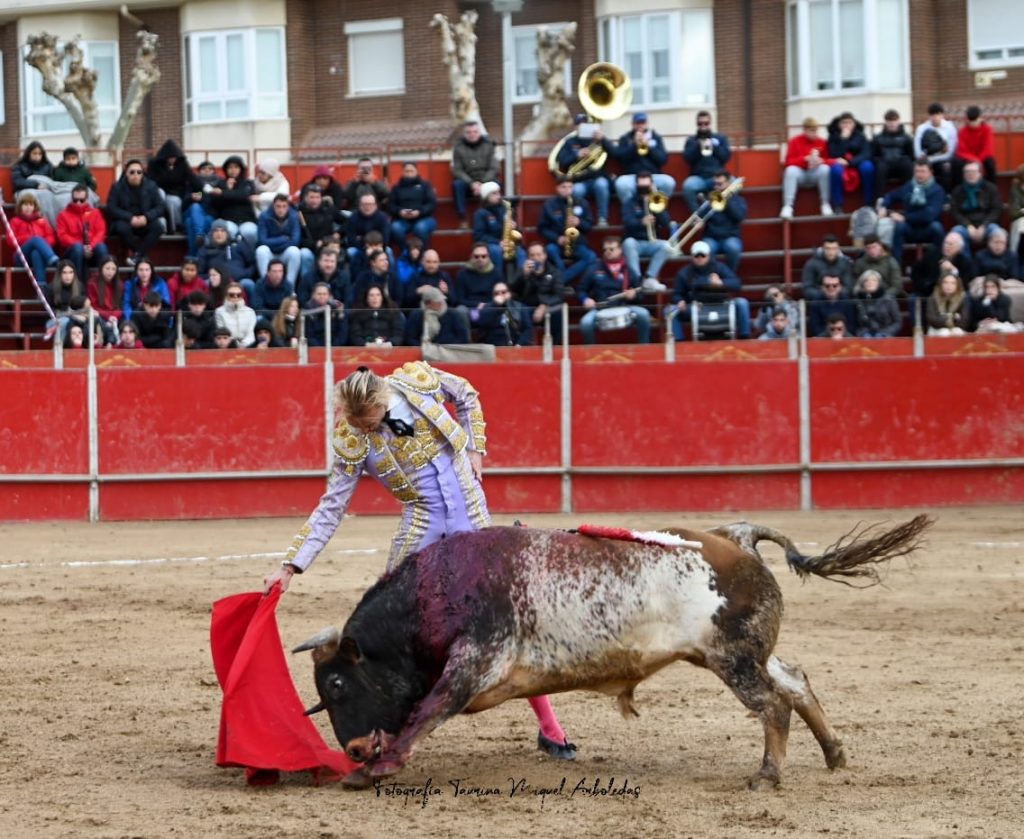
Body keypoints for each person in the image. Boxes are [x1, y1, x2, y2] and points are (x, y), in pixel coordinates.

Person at [261, 364, 577, 764]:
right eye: (359, 426)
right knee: (393, 629)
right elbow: (332, 506)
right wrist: (290, 567)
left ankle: (551, 728)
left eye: (372, 423)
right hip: (422, 524)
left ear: (382, 400)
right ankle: (384, 729)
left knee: (506, 624)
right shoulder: (351, 438)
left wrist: (475, 448)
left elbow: (467, 394)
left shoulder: (415, 382)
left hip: (472, 517)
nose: (368, 432)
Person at [669, 241, 751, 340]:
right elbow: (677, 294)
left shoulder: (719, 267)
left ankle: (745, 338)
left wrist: (721, 282)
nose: (700, 258)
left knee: (742, 303)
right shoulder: (684, 273)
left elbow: (737, 283)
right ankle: (679, 343)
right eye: (696, 256)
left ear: (708, 256)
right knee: (670, 311)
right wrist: (680, 301)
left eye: (703, 255)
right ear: (692, 257)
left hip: (722, 305)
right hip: (697, 307)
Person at [578, 236, 651, 344]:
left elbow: (640, 293)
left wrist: (633, 295)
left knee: (644, 315)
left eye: (611, 249)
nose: (607, 252)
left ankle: (644, 348)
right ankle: (591, 351)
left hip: (625, 306)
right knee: (585, 323)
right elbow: (581, 289)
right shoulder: (594, 268)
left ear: (620, 250)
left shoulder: (629, 270)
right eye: (605, 249)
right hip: (601, 307)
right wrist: (585, 300)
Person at [878, 158, 946, 263]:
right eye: (917, 171)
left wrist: (905, 217)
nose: (919, 175)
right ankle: (897, 267)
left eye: (923, 171)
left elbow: (928, 216)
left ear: (931, 172)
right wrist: (883, 206)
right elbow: (891, 196)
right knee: (899, 227)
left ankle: (937, 264)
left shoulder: (937, 190)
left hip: (927, 228)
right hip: (910, 229)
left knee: (937, 228)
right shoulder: (909, 186)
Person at [537, 176, 596, 286]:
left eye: (570, 186)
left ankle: (561, 281)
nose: (567, 190)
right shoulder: (549, 204)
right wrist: (557, 238)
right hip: (557, 244)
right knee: (550, 250)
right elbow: (542, 228)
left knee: (591, 256)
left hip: (578, 244)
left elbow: (589, 226)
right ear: (557, 188)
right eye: (563, 187)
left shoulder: (582, 203)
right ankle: (563, 280)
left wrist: (579, 222)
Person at [106, 159, 167, 264]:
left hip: (144, 220)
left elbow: (161, 207)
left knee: (158, 227)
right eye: (132, 172)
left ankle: (138, 256)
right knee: (121, 228)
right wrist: (130, 218)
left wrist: (146, 217)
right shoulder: (117, 187)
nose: (136, 175)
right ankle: (141, 255)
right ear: (126, 173)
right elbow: (111, 208)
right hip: (125, 221)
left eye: (139, 172)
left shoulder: (151, 186)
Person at [556, 113, 612, 225]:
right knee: (576, 190)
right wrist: (577, 155)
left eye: (585, 124)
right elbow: (562, 162)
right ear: (575, 127)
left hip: (597, 178)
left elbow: (615, 153)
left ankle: (603, 218)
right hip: (579, 180)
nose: (582, 127)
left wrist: (604, 139)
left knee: (602, 184)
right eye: (579, 125)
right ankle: (579, 221)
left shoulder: (597, 140)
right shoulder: (570, 141)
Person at [621, 172, 673, 292]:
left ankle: (650, 278)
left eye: (647, 186)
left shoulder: (657, 200)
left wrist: (657, 206)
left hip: (651, 241)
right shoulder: (630, 202)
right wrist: (641, 222)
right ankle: (637, 280)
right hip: (635, 242)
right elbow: (627, 222)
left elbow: (666, 223)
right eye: (642, 187)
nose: (644, 190)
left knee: (667, 246)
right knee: (628, 243)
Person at [613, 112, 675, 205]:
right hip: (632, 176)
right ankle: (632, 211)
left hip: (653, 176)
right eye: (638, 123)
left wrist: (649, 147)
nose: (640, 125)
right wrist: (634, 145)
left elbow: (663, 159)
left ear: (647, 123)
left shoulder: (656, 137)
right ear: (633, 124)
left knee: (669, 182)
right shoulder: (625, 138)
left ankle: (657, 208)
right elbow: (622, 159)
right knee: (620, 184)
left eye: (643, 122)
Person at [511, 242, 566, 344]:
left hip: (548, 307)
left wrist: (544, 305)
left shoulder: (554, 272)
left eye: (538, 254)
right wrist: (524, 276)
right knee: (521, 311)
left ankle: (556, 346)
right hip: (527, 306)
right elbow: (513, 290)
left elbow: (559, 295)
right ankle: (524, 344)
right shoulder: (523, 270)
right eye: (532, 255)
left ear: (544, 256)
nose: (536, 258)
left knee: (559, 312)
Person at [147, 139, 204, 234]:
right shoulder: (154, 164)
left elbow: (194, 181)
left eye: (174, 157)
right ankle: (161, 224)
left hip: (176, 193)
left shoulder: (182, 164)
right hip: (158, 191)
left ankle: (176, 227)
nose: (173, 160)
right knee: (159, 194)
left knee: (173, 201)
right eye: (170, 157)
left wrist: (200, 193)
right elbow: (150, 181)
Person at [780, 117, 833, 219]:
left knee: (825, 169)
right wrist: (805, 159)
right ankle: (788, 206)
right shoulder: (795, 141)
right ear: (805, 130)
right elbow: (788, 162)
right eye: (811, 130)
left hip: (815, 174)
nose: (814, 133)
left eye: (816, 130)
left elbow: (828, 159)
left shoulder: (822, 142)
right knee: (790, 171)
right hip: (800, 174)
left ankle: (825, 204)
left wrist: (821, 161)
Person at [451, 121, 500, 228]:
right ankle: (463, 218)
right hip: (468, 183)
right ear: (465, 134)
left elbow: (494, 168)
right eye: (469, 132)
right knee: (457, 185)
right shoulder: (458, 148)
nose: (472, 134)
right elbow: (457, 170)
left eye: (475, 132)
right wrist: (472, 183)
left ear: (479, 132)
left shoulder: (489, 145)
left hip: (486, 181)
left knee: (496, 184)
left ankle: (496, 216)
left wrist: (482, 183)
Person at [56, 184, 109, 281]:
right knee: (78, 249)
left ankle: (103, 285)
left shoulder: (95, 213)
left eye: (82, 200)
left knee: (102, 248)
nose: (78, 203)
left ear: (87, 199)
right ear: (71, 199)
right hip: (73, 252)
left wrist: (91, 246)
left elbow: (101, 232)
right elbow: (62, 236)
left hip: (91, 249)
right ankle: (79, 287)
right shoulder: (63, 215)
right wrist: (82, 246)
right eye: (75, 200)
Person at [6, 193, 59, 288]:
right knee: (36, 239)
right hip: (20, 256)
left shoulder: (42, 221)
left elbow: (51, 238)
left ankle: (41, 286)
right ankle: (53, 259)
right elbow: (10, 241)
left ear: (34, 207)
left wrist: (39, 243)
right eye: (25, 204)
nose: (28, 207)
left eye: (30, 205)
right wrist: (30, 238)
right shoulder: (15, 221)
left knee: (36, 252)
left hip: (39, 255)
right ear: (20, 206)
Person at [682, 111, 732, 212]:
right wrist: (698, 145)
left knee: (734, 183)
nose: (703, 126)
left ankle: (724, 215)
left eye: (706, 123)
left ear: (710, 123)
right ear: (697, 124)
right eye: (700, 124)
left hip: (717, 178)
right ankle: (699, 215)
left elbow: (726, 157)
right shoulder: (691, 140)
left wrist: (714, 146)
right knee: (688, 186)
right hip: (699, 178)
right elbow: (687, 159)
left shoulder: (720, 138)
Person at [826, 111, 875, 211]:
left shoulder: (860, 136)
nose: (847, 125)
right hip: (840, 162)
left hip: (856, 162)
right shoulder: (834, 136)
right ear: (839, 124)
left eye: (849, 123)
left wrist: (850, 162)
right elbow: (833, 154)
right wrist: (842, 139)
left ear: (854, 124)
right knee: (835, 171)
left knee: (868, 167)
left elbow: (866, 153)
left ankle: (869, 203)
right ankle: (838, 205)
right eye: (844, 123)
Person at [949, 161, 1003, 250]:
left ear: (980, 174)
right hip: (966, 225)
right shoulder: (957, 191)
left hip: (987, 224)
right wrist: (968, 225)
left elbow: (996, 209)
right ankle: (966, 262)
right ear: (963, 175)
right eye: (967, 172)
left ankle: (995, 263)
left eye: (973, 172)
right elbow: (955, 212)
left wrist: (984, 226)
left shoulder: (990, 188)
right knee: (955, 235)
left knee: (998, 234)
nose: (970, 174)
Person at [701, 170, 747, 272]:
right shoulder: (710, 199)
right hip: (712, 237)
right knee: (705, 248)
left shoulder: (738, 200)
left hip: (730, 237)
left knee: (733, 248)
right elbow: (702, 217)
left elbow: (739, 216)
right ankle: (710, 277)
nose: (716, 187)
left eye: (720, 184)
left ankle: (729, 276)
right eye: (715, 184)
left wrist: (727, 200)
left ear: (728, 184)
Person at [208, 155, 258, 245]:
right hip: (228, 220)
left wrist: (224, 193)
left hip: (247, 220)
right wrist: (227, 189)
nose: (233, 170)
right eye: (230, 167)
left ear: (241, 169)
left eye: (236, 167)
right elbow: (215, 202)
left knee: (250, 232)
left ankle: (250, 257)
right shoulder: (221, 183)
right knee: (227, 232)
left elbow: (245, 196)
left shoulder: (248, 183)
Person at [910, 231, 976, 299]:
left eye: (950, 244)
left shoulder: (965, 262)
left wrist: (953, 270)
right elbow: (916, 270)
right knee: (913, 297)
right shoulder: (932, 254)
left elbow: (965, 285)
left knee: (967, 297)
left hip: (955, 295)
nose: (946, 246)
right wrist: (922, 285)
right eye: (945, 243)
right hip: (931, 291)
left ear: (959, 248)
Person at [472, 182, 522, 270]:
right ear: (486, 197)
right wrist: (498, 242)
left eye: (499, 192)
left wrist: (514, 227)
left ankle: (521, 279)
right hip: (490, 244)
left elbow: (515, 232)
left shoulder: (504, 209)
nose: (498, 196)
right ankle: (498, 280)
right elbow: (479, 236)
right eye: (494, 193)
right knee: (496, 251)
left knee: (521, 253)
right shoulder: (480, 213)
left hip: (505, 242)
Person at [256, 194, 303, 285]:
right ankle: (266, 284)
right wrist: (283, 239)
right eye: (278, 206)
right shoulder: (264, 216)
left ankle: (290, 287)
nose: (281, 210)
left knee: (295, 251)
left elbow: (295, 241)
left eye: (284, 206)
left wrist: (274, 242)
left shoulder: (294, 216)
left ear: (288, 207)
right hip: (270, 252)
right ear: (273, 206)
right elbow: (262, 241)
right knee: (261, 250)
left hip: (285, 252)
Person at [198, 221, 258, 292]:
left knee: (248, 284)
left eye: (222, 231)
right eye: (216, 231)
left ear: (227, 233)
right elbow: (200, 273)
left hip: (239, 280)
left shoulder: (239, 245)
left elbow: (253, 263)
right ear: (211, 233)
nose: (219, 234)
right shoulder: (205, 250)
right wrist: (213, 277)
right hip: (216, 282)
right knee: (206, 283)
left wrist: (244, 273)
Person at [389, 162, 438, 249]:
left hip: (424, 218)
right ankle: (407, 252)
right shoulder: (396, 188)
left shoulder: (425, 185)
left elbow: (432, 204)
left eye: (411, 171)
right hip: (403, 220)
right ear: (402, 172)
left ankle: (422, 253)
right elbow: (391, 206)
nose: (409, 173)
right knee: (395, 228)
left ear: (417, 171)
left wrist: (419, 212)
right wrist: (400, 212)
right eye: (406, 171)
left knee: (420, 228)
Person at [11, 141, 60, 227]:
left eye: (39, 154)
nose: (37, 156)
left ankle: (49, 226)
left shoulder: (48, 166)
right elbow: (17, 181)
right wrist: (36, 185)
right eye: (34, 153)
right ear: (29, 153)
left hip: (44, 192)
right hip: (24, 191)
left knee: (49, 196)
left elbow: (52, 182)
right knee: (29, 196)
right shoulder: (19, 166)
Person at [871, 109, 916, 199]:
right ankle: (879, 199)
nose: (892, 124)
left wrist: (905, 159)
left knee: (908, 165)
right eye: (889, 121)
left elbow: (911, 155)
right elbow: (874, 155)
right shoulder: (878, 138)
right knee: (880, 168)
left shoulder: (906, 137)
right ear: (885, 122)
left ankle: (909, 197)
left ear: (898, 121)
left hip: (900, 162)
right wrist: (879, 161)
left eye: (894, 121)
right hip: (885, 164)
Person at [404, 286, 470, 345]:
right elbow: (410, 339)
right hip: (424, 350)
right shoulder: (417, 315)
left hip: (448, 350)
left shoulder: (453, 314)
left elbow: (463, 338)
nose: (441, 303)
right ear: (427, 303)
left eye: (441, 300)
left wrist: (448, 346)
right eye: (437, 301)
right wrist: (423, 346)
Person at [914, 103, 957, 191]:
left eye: (937, 114)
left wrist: (932, 157)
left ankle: (947, 197)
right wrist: (940, 151)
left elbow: (950, 152)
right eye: (932, 115)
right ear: (929, 116)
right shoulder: (921, 128)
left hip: (942, 160)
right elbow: (918, 152)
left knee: (946, 167)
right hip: (926, 161)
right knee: (920, 169)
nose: (935, 117)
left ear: (942, 115)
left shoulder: (950, 128)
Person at [478, 282, 533, 346]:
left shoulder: (520, 307)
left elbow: (527, 329)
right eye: (496, 293)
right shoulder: (488, 308)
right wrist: (495, 304)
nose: (500, 295)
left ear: (509, 293)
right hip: (492, 347)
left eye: (503, 292)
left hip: (516, 346)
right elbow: (482, 323)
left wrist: (519, 344)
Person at [851, 270, 902, 338]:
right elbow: (853, 323)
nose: (870, 283)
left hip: (885, 336)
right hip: (864, 337)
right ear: (862, 284)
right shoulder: (857, 301)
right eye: (866, 280)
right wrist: (862, 334)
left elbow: (897, 322)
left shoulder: (889, 300)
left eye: (874, 280)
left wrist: (886, 333)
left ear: (879, 283)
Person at [802, 235, 854, 300]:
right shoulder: (812, 264)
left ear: (838, 249)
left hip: (841, 301)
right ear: (823, 248)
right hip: (819, 302)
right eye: (828, 248)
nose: (831, 252)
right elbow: (807, 289)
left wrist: (835, 292)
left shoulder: (845, 263)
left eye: (834, 248)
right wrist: (825, 293)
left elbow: (849, 287)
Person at [955, 105, 997, 184]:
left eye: (975, 120)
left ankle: (992, 187)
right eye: (970, 121)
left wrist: (978, 161)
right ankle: (957, 189)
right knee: (956, 163)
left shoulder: (987, 129)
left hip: (982, 158)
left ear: (980, 118)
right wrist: (974, 160)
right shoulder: (963, 131)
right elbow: (962, 150)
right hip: (968, 159)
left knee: (990, 163)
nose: (973, 123)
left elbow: (988, 149)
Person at [87, 256, 124, 337]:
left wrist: (114, 316)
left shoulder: (120, 284)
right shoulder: (92, 284)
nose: (110, 272)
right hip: (100, 316)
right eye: (107, 268)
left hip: (116, 317)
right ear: (101, 268)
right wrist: (108, 316)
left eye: (113, 269)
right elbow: (93, 306)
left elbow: (121, 306)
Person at [303, 281, 347, 346]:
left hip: (335, 348)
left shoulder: (337, 309)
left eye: (324, 294)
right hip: (315, 349)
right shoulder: (308, 310)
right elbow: (309, 336)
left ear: (329, 296)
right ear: (313, 295)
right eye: (319, 294)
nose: (322, 296)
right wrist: (321, 349)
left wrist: (332, 348)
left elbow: (342, 335)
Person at [215, 281, 258, 346]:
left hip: (248, 347)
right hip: (228, 346)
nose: (235, 297)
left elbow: (251, 334)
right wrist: (236, 345)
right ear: (226, 296)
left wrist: (243, 345)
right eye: (231, 295)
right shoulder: (219, 312)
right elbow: (223, 333)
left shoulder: (250, 312)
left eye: (238, 295)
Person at [1010, 164, 1024, 260]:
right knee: (1020, 225)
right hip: (1019, 221)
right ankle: (1013, 258)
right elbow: (1014, 212)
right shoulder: (1015, 188)